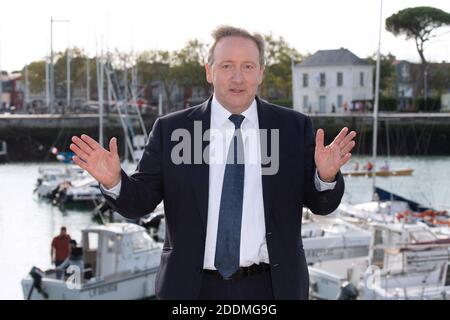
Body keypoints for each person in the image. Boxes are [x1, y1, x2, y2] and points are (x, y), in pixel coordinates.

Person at [70, 25, 356, 300]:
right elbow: (139, 203)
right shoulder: (172, 131)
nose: (237, 77)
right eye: (227, 65)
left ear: (260, 73)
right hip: (190, 289)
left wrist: (326, 176)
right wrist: (113, 181)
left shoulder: (294, 128)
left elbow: (321, 204)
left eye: (248, 66)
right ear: (209, 71)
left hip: (272, 287)